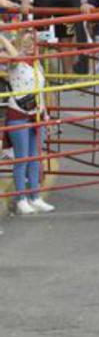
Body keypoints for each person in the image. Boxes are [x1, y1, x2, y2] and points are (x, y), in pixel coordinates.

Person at [1, 30, 53, 215]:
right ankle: (21, 198)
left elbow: (41, 90)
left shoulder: (37, 63)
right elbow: (14, 56)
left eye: (32, 42)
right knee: (22, 158)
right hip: (19, 115)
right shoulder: (14, 62)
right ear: (17, 45)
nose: (30, 46)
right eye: (25, 43)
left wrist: (45, 115)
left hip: (36, 114)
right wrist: (3, 38)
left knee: (34, 158)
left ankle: (35, 197)